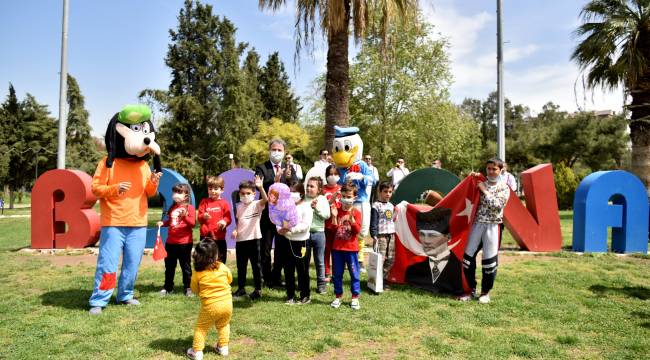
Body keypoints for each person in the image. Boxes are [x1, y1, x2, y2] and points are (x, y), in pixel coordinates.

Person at [459, 158, 510, 304]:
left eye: (494, 169)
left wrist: (484, 190)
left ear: (500, 170)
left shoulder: (504, 188)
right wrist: (471, 179)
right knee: (467, 257)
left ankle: (485, 292)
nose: (491, 172)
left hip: (493, 226)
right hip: (477, 224)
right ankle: (469, 289)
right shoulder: (480, 183)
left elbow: (497, 206)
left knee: (489, 260)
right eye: (489, 169)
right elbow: (465, 195)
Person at [255, 138, 299, 288]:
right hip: (267, 215)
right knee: (265, 249)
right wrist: (274, 181)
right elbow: (258, 188)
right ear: (269, 151)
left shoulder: (289, 168)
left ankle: (277, 277)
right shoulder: (261, 167)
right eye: (274, 149)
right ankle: (267, 278)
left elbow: (295, 188)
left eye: (280, 150)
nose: (276, 152)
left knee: (281, 249)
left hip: (283, 216)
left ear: (284, 152)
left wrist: (288, 179)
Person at [186, 240, 233, 360]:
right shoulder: (222, 267)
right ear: (215, 255)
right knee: (224, 325)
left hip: (210, 306)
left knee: (201, 328)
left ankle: (196, 351)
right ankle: (223, 347)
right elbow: (230, 279)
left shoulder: (198, 273)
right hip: (227, 304)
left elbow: (194, 289)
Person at [327, 183, 362, 310]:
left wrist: (352, 220)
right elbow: (333, 229)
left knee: (354, 274)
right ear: (340, 196)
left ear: (354, 197)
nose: (346, 199)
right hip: (337, 249)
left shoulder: (356, 212)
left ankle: (355, 298)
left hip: (351, 249)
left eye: (349, 196)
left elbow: (357, 231)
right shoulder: (337, 210)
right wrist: (335, 217)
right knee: (337, 274)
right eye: (344, 196)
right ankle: (338, 296)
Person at [231, 176, 267, 300]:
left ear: (253, 193)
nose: (245, 195)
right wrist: (235, 230)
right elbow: (238, 222)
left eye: (248, 193)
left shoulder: (257, 204)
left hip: (254, 239)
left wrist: (261, 187)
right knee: (241, 266)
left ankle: (258, 289)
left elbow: (266, 199)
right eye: (243, 193)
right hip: (241, 241)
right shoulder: (238, 206)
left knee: (256, 265)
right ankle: (241, 289)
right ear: (239, 193)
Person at [157, 183, 196, 297]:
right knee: (169, 267)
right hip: (170, 242)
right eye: (174, 192)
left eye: (179, 192)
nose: (175, 195)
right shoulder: (173, 207)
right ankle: (168, 287)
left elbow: (193, 224)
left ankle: (188, 287)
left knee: (186, 267)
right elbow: (170, 222)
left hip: (184, 243)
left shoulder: (190, 208)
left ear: (186, 195)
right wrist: (163, 223)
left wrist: (185, 216)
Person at [278, 182, 314, 304]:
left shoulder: (306, 207)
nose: (291, 195)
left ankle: (305, 295)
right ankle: (290, 295)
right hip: (288, 242)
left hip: (302, 242)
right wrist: (281, 229)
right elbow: (280, 221)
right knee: (288, 270)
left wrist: (290, 229)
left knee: (302, 270)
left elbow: (305, 225)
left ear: (301, 194)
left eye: (294, 192)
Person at [304, 176, 331, 294]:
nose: (309, 188)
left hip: (319, 234)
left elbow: (327, 215)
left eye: (312, 186)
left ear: (319, 189)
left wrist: (317, 208)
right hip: (304, 234)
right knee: (304, 260)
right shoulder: (303, 199)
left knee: (319, 261)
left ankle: (321, 284)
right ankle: (304, 283)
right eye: (307, 186)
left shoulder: (323, 199)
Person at [197, 176, 232, 264]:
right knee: (205, 261)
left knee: (220, 261)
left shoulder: (224, 203)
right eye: (210, 188)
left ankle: (220, 276)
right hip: (205, 238)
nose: (213, 191)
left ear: (222, 190)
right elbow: (199, 218)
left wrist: (224, 222)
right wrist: (203, 216)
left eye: (216, 189)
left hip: (219, 237)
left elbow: (228, 218)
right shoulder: (204, 202)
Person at [369, 181, 396, 284]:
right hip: (381, 236)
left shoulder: (391, 206)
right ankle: (377, 281)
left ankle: (383, 278)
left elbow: (391, 219)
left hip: (391, 235)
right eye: (385, 191)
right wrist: (374, 235)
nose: (388, 194)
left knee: (391, 259)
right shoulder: (376, 206)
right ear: (380, 192)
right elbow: (374, 221)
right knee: (380, 259)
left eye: (390, 192)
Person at [322, 165, 341, 282]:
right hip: (325, 224)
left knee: (336, 250)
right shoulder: (322, 189)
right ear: (326, 176)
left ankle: (336, 273)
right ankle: (326, 273)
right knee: (326, 250)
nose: (333, 176)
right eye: (330, 174)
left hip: (338, 225)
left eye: (335, 174)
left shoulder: (341, 188)